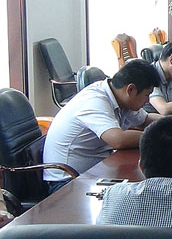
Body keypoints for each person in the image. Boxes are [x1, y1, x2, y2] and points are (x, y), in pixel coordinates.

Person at [43, 59, 161, 193]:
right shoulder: (95, 100)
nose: (147, 101)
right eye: (147, 95)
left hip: (95, 172)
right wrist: (158, 137)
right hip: (67, 181)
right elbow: (118, 139)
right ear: (131, 89)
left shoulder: (122, 99)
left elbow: (146, 119)